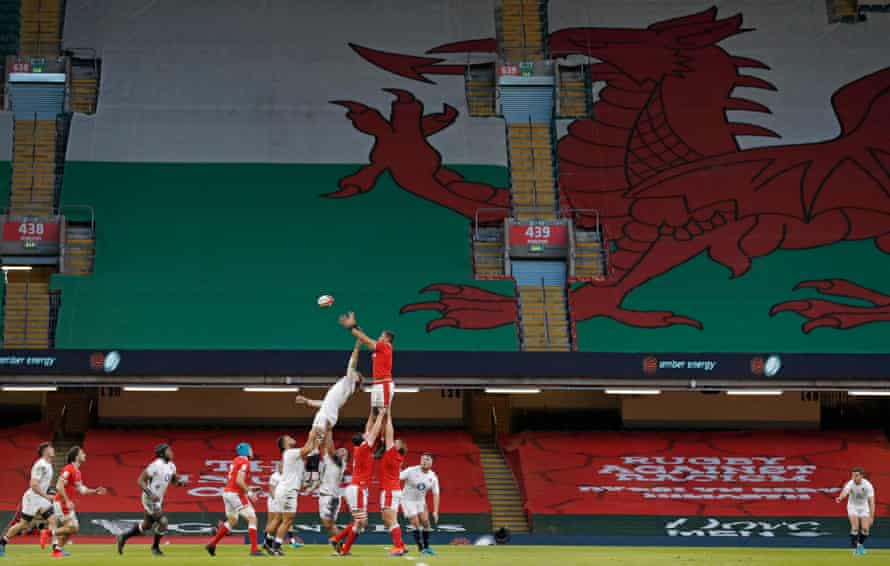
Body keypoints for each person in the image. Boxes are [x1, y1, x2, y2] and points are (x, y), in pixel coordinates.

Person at [117, 443, 186, 556]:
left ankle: (123, 537)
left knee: (147, 525)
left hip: (158, 499)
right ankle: (155, 548)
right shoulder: (155, 465)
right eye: (169, 451)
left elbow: (173, 481)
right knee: (163, 522)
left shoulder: (172, 466)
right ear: (162, 453)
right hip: (150, 499)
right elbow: (140, 480)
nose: (171, 452)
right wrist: (150, 493)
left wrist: (180, 483)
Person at [332, 410, 385, 556]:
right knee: (360, 522)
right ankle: (342, 545)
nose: (367, 434)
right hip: (358, 489)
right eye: (365, 436)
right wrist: (380, 416)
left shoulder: (360, 448)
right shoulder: (363, 448)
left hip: (358, 489)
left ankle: (338, 540)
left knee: (361, 522)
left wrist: (371, 414)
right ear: (363, 440)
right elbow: (373, 432)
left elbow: (369, 429)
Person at [296, 339, 363, 447]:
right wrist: (307, 401)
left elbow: (352, 363)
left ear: (356, 380)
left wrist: (357, 347)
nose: (353, 372)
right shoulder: (342, 387)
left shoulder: (349, 383)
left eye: (356, 374)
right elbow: (324, 403)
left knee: (314, 443)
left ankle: (313, 458)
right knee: (311, 440)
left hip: (327, 415)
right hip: (324, 413)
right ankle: (311, 458)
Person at [338, 312, 395, 430]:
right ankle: (367, 438)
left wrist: (350, 327)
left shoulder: (386, 346)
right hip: (377, 384)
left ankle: (384, 442)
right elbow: (364, 339)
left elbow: (365, 339)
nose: (379, 337)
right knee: (373, 414)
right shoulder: (379, 349)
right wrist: (355, 326)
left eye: (381, 336)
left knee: (384, 414)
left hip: (384, 383)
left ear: (387, 339)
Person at [205, 442, 263, 557]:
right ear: (246, 451)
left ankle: (212, 544)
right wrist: (250, 492)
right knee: (252, 518)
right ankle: (254, 549)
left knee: (232, 521)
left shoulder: (236, 460)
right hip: (236, 495)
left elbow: (235, 482)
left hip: (227, 493)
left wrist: (250, 488)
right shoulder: (245, 462)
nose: (252, 451)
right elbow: (239, 481)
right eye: (250, 449)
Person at [49, 446, 107, 558]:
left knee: (72, 529)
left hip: (65, 503)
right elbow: (59, 485)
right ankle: (48, 534)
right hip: (61, 502)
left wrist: (95, 491)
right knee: (73, 528)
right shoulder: (68, 468)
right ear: (76, 456)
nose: (85, 455)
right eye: (82, 453)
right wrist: (67, 501)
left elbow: (82, 490)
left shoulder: (77, 472)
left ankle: (57, 551)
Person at [0, 442, 55, 557]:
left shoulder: (48, 464)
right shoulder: (41, 465)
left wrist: (49, 492)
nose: (53, 450)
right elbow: (34, 484)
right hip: (33, 498)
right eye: (51, 448)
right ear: (45, 451)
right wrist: (46, 496)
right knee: (23, 524)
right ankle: (2, 542)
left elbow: (42, 484)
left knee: (53, 520)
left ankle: (56, 548)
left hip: (41, 498)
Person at [267, 434, 316, 556]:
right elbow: (308, 449)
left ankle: (267, 542)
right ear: (285, 444)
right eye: (288, 438)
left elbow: (309, 451)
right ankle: (276, 547)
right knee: (287, 520)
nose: (291, 438)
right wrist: (312, 434)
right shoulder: (290, 452)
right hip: (288, 491)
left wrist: (316, 440)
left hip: (283, 489)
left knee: (278, 519)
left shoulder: (293, 455)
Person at [379, 411, 408, 556]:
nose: (393, 442)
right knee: (389, 518)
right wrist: (384, 420)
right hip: (394, 489)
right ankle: (401, 544)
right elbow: (386, 435)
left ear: (399, 447)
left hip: (390, 490)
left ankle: (398, 547)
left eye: (396, 442)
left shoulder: (392, 453)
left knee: (389, 519)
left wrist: (388, 414)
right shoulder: (396, 455)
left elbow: (389, 432)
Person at [401, 452, 441, 555]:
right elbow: (397, 477)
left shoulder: (433, 477)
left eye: (427, 459)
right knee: (415, 522)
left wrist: (436, 511)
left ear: (432, 462)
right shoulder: (411, 470)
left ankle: (427, 547)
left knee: (426, 522)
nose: (424, 461)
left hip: (420, 501)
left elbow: (436, 494)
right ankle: (421, 548)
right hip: (407, 500)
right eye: (422, 459)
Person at [318, 432, 348, 554]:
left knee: (329, 523)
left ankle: (342, 546)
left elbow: (330, 448)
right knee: (328, 524)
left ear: (345, 457)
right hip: (324, 496)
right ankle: (338, 547)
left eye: (344, 451)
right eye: (340, 450)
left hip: (330, 497)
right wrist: (323, 437)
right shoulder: (330, 460)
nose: (340, 451)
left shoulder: (340, 464)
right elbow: (325, 448)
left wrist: (329, 430)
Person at [836, 466, 876, 556]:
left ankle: (860, 545)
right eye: (853, 475)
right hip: (852, 506)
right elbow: (845, 492)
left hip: (864, 507)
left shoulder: (868, 485)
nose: (854, 477)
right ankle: (855, 548)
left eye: (856, 475)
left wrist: (871, 517)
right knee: (855, 528)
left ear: (862, 476)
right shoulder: (850, 483)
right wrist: (840, 497)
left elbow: (872, 502)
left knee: (865, 529)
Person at [262, 460, 283, 554]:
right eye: (280, 465)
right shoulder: (275, 476)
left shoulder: (287, 476)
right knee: (272, 521)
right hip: (273, 501)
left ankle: (269, 542)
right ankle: (266, 542)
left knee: (278, 523)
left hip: (281, 502)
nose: (281, 467)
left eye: (282, 465)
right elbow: (271, 489)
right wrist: (276, 500)